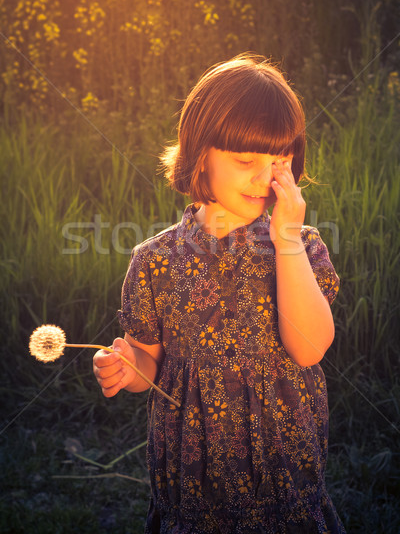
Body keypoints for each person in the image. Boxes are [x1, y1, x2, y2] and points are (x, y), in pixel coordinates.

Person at [93, 54, 345, 533]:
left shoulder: (301, 245)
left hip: (283, 483)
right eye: (246, 160)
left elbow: (308, 348)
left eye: (280, 160)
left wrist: (286, 240)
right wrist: (129, 369)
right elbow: (150, 362)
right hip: (194, 486)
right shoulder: (156, 260)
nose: (264, 177)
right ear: (200, 155)